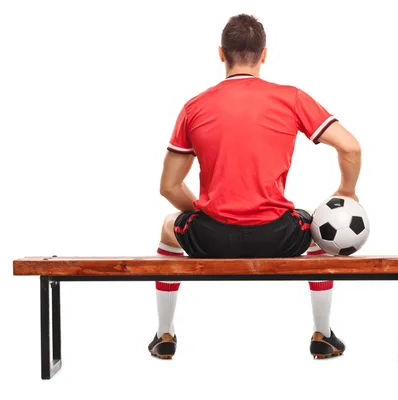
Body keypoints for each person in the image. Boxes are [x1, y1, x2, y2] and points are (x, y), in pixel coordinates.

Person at [148, 14, 362, 360]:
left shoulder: (194, 107)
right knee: (320, 227)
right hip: (278, 237)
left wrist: (204, 212)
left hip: (211, 239)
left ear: (221, 54)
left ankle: (164, 334)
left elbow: (169, 186)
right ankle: (322, 333)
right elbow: (351, 147)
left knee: (166, 227)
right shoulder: (291, 98)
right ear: (263, 55)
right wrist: (347, 191)